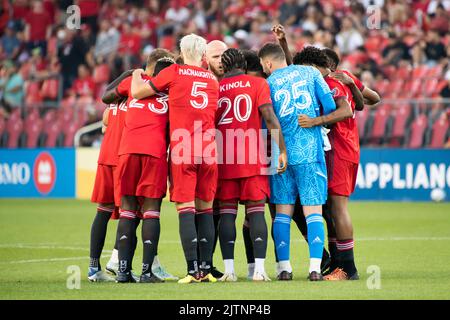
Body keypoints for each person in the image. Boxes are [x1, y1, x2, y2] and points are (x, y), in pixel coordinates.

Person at [131, 34, 219, 284]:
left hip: (184, 149)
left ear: (181, 52)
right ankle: (206, 268)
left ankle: (193, 272)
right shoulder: (212, 80)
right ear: (203, 56)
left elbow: (138, 92)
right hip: (209, 150)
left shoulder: (174, 72)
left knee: (186, 210)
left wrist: (137, 73)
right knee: (206, 210)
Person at [258, 43, 351, 281]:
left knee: (282, 213)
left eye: (263, 65)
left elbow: (265, 123)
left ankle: (285, 269)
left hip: (281, 154)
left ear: (268, 63)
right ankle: (315, 269)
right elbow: (330, 106)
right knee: (313, 212)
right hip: (310, 151)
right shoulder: (309, 73)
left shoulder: (267, 84)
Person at [101, 48, 178, 282]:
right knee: (151, 212)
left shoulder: (136, 82)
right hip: (154, 153)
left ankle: (123, 271)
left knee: (127, 210)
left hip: (127, 152)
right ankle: (147, 272)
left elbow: (106, 97)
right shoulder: (173, 92)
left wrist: (131, 74)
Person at [216, 48, 287, 282]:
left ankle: (229, 271)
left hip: (223, 157)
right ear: (245, 66)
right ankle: (259, 270)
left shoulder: (214, 87)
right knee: (256, 212)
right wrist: (282, 149)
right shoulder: (257, 84)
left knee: (227, 214)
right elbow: (269, 116)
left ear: (224, 67)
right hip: (251, 157)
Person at [294, 46, 362, 280]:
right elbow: (362, 103)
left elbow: (345, 111)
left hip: (340, 150)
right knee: (328, 209)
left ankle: (347, 269)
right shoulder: (335, 79)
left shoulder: (330, 82)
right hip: (344, 149)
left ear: (312, 68)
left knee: (337, 207)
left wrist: (316, 121)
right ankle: (336, 264)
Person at [205, 39, 228, 279]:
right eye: (215, 57)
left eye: (223, 56)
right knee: (208, 210)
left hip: (233, 155)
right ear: (205, 60)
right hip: (207, 155)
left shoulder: (234, 82)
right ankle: (203, 263)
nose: (220, 61)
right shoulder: (202, 83)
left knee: (222, 212)